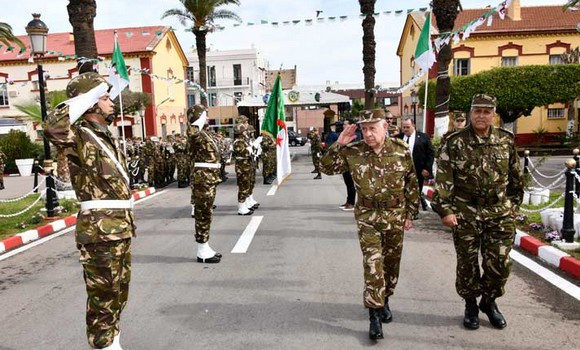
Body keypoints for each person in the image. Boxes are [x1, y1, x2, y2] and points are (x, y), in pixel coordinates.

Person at [44, 72, 134, 350]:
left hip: (119, 226)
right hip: (99, 231)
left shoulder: (104, 136)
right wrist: (86, 95)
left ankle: (112, 342)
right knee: (103, 297)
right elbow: (52, 127)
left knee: (119, 293)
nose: (110, 102)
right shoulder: (79, 135)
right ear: (91, 102)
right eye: (104, 97)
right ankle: (103, 345)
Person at [320, 109, 419, 340]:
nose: (368, 133)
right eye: (364, 129)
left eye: (372, 128)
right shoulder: (354, 151)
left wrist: (410, 213)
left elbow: (411, 182)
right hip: (367, 216)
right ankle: (374, 314)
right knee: (373, 263)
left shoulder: (401, 150)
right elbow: (327, 168)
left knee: (391, 265)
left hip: (395, 214)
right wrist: (339, 144)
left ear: (385, 127)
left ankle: (385, 299)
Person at [431, 94, 524, 331]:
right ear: (471, 113)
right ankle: (471, 304)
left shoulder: (506, 140)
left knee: (500, 264)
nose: (481, 116)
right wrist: (446, 210)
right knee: (467, 264)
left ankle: (489, 302)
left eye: (486, 111)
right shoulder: (454, 141)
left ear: (494, 114)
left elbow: (516, 177)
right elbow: (443, 179)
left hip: (499, 212)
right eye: (477, 111)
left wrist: (513, 206)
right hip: (465, 212)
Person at [187, 105, 222, 264]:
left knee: (206, 212)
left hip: (210, 177)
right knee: (203, 213)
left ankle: (205, 246)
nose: (207, 118)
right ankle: (202, 249)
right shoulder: (195, 133)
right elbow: (191, 132)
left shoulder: (204, 134)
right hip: (203, 179)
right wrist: (196, 121)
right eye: (204, 115)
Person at [397, 117, 434, 212]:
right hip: (401, 170)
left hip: (418, 170)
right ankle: (404, 210)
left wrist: (427, 168)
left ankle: (414, 211)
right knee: (402, 191)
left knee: (416, 191)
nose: (405, 129)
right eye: (404, 127)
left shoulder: (423, 137)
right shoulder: (398, 138)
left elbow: (430, 154)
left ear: (413, 126)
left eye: (407, 127)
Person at [232, 119, 256, 215]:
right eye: (244, 130)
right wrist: (249, 150)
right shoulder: (238, 142)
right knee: (243, 186)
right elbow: (243, 152)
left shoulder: (243, 141)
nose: (246, 132)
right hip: (242, 166)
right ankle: (241, 207)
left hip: (246, 165)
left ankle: (245, 205)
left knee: (246, 185)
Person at [339, 118, 360, 211]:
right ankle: (348, 201)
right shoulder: (344, 135)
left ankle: (352, 203)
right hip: (345, 163)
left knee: (351, 184)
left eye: (345, 124)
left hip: (352, 163)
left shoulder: (356, 135)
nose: (343, 126)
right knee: (347, 183)